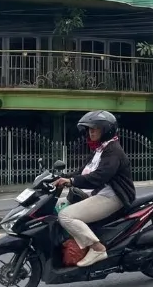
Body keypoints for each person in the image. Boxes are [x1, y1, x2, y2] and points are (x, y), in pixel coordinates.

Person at [54, 110, 135, 268]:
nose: (91, 132)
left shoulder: (113, 151)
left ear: (106, 130)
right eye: (89, 129)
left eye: (95, 128)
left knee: (65, 216)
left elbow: (99, 177)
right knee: (55, 206)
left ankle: (97, 248)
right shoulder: (99, 150)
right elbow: (83, 172)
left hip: (113, 197)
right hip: (96, 194)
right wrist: (61, 177)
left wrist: (71, 181)